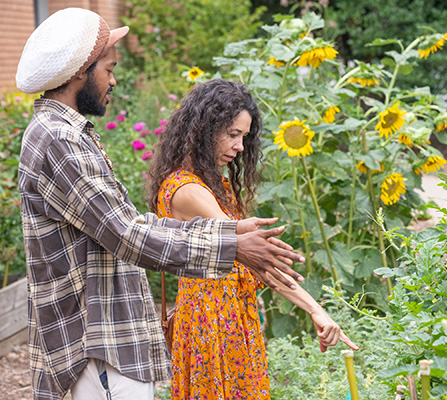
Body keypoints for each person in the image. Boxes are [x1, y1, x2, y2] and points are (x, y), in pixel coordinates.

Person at [15, 8, 305, 400]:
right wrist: (232, 246)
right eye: (109, 69)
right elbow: (127, 235)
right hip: (94, 340)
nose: (113, 81)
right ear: (81, 71)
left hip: (106, 337)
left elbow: (129, 221)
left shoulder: (67, 134)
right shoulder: (60, 140)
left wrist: (228, 230)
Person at [146, 79, 358, 400]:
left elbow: (255, 261)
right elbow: (255, 257)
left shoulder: (211, 184)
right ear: (204, 129)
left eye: (244, 137)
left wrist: (316, 310)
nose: (241, 147)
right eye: (232, 135)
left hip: (232, 320)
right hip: (214, 328)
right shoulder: (188, 191)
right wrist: (315, 309)